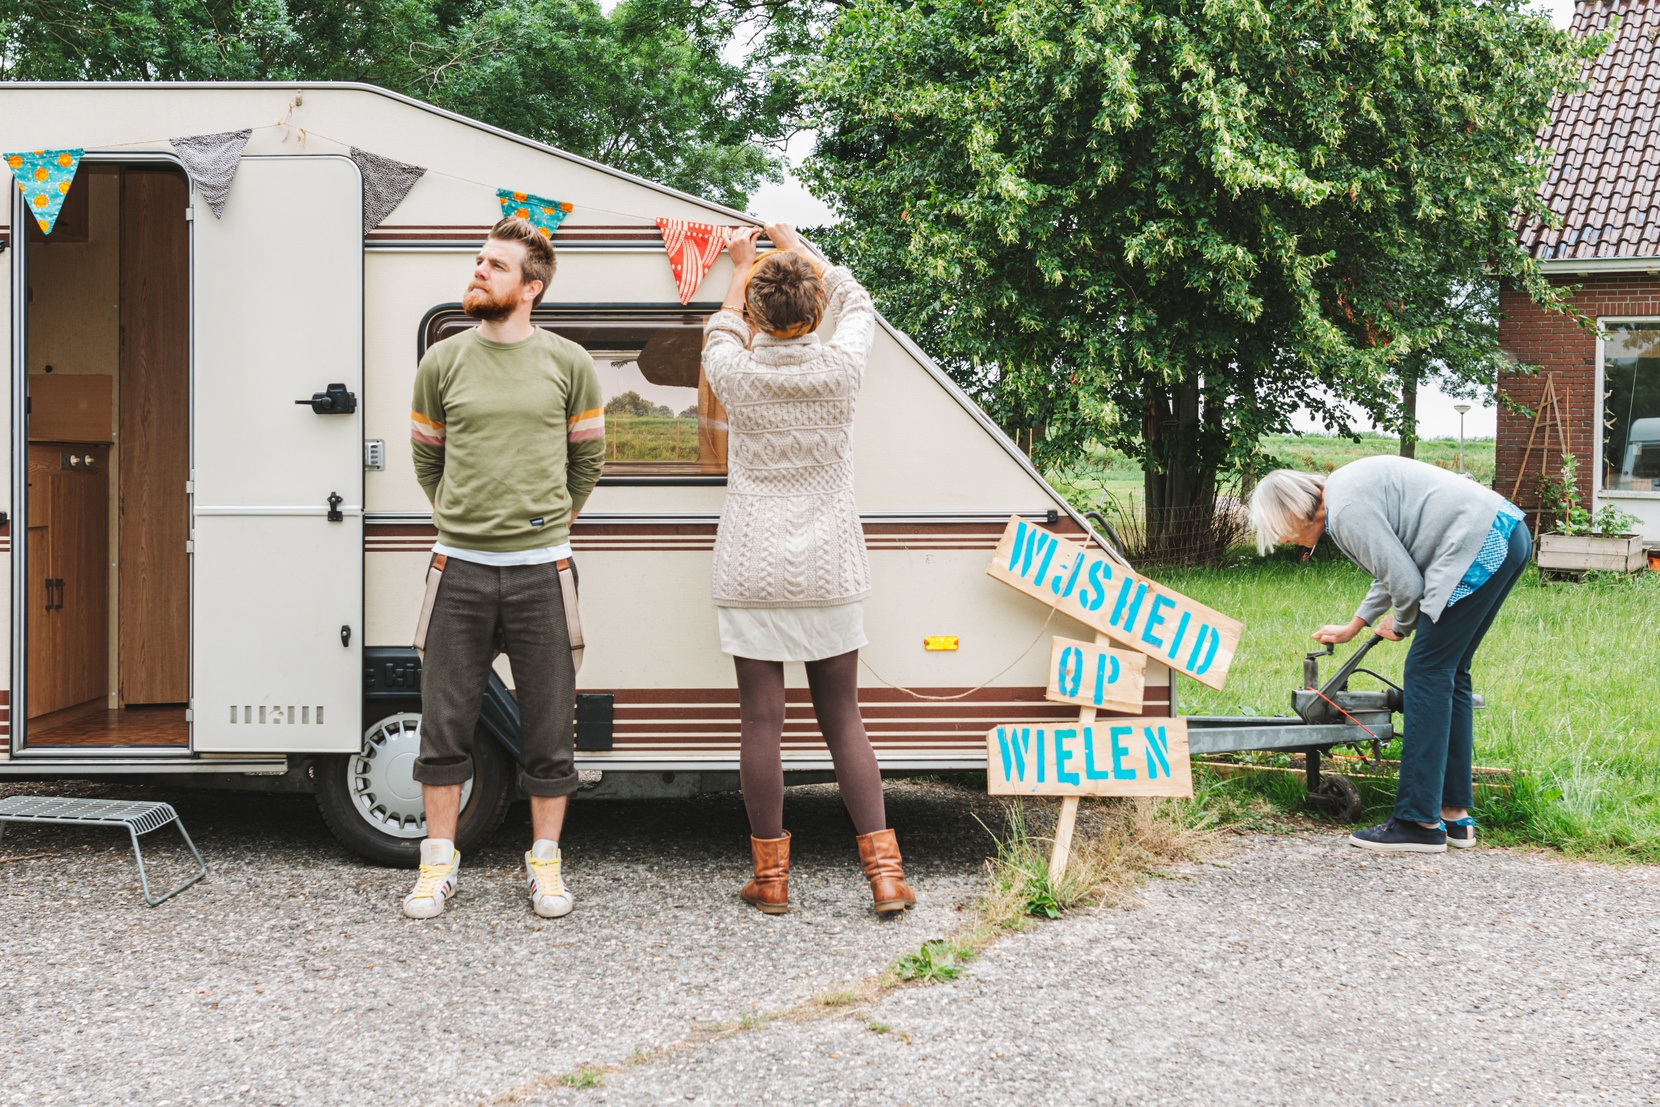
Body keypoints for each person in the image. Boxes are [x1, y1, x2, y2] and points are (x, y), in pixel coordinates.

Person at [702, 222, 915, 915]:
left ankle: (771, 881)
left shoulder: (735, 371)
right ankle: (884, 876)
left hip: (752, 564)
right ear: (814, 310)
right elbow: (859, 301)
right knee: (843, 716)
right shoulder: (841, 367)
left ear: (761, 313)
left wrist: (741, 266)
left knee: (762, 721)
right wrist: (798, 248)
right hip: (828, 564)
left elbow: (722, 325)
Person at [402, 217, 605, 919]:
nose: (479, 270)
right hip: (456, 565)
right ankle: (436, 866)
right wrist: (459, 515)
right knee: (444, 722)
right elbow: (427, 455)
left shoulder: (568, 363)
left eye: (495, 264)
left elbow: (588, 461)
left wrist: (555, 517)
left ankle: (545, 866)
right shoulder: (444, 362)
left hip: (543, 570)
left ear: (531, 287)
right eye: (479, 260)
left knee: (549, 726)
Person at [1248, 455, 1530, 853]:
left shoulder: (1346, 511)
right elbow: (1394, 565)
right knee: (1450, 674)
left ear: (1292, 511)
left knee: (1427, 673)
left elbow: (1407, 584)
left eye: (1278, 530)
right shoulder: (1347, 493)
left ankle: (1418, 822)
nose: (1281, 540)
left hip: (1477, 544)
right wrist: (1357, 624)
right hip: (1506, 534)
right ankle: (1453, 818)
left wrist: (1399, 624)